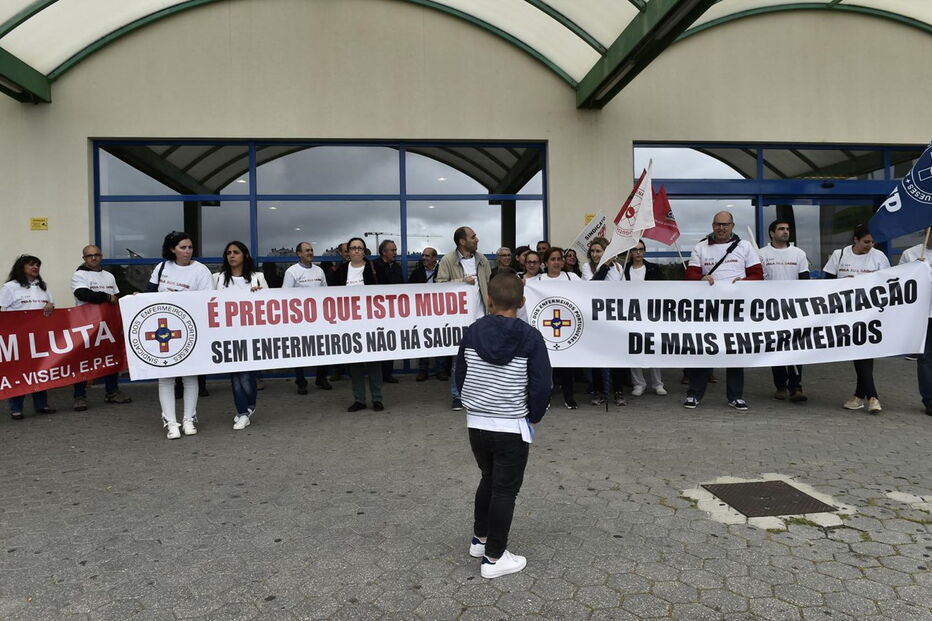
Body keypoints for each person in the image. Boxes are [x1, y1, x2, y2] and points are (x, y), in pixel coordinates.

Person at [456, 272, 551, 579]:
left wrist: (471, 402)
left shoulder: (472, 332)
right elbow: (541, 384)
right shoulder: (531, 337)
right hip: (511, 425)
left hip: (476, 423)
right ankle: (495, 557)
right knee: (505, 490)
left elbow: (460, 373)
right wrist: (535, 414)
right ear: (522, 302)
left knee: (488, 478)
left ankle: (480, 540)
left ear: (489, 300)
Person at [683, 211, 763, 411]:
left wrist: (745, 281)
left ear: (732, 226)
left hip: (736, 310)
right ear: (712, 226)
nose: (721, 228)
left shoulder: (745, 247)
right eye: (718, 224)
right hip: (708, 309)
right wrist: (700, 278)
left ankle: (735, 396)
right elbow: (690, 274)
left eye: (725, 224)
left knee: (735, 351)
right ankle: (694, 394)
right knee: (703, 350)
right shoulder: (701, 247)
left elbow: (757, 274)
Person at [148, 231, 213, 439]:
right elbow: (149, 295)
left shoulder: (201, 270)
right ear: (172, 249)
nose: (187, 251)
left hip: (190, 329)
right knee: (166, 377)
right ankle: (171, 422)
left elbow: (207, 300)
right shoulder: (162, 268)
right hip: (163, 330)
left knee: (190, 376)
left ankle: (189, 419)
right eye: (183, 247)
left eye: (190, 247)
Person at [823, 224, 890, 414]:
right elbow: (827, 283)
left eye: (873, 242)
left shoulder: (879, 257)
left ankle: (872, 397)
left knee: (864, 352)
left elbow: (887, 283)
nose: (870, 245)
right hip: (846, 313)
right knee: (857, 352)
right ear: (855, 240)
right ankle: (859, 395)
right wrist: (844, 283)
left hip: (870, 312)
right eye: (866, 242)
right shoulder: (840, 255)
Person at [213, 241, 268, 430]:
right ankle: (243, 411)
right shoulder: (218, 279)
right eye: (228, 252)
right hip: (228, 335)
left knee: (246, 375)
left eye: (236, 252)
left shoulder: (257, 278)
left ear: (245, 255)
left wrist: (260, 294)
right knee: (235, 375)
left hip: (251, 335)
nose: (231, 255)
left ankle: (249, 406)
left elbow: (270, 304)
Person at [70, 245, 132, 411]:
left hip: (107, 324)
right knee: (83, 361)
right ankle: (79, 396)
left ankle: (112, 392)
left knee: (110, 357)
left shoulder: (109, 276)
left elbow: (116, 297)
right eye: (89, 255)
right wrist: (105, 296)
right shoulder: (79, 275)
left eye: (97, 255)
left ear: (101, 256)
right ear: (84, 258)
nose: (94, 258)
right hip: (86, 324)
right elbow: (82, 294)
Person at [437, 226, 492, 411]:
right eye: (473, 237)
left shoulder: (482, 259)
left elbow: (489, 285)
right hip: (459, 320)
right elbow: (440, 286)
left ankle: (480, 395)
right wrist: (461, 281)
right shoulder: (448, 260)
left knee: (483, 359)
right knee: (459, 360)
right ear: (462, 241)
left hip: (481, 317)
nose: (477, 239)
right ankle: (458, 395)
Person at [758, 219, 810, 403]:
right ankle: (780, 385)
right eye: (781, 229)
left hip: (794, 308)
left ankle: (796, 386)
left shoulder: (798, 253)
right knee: (777, 346)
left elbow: (805, 279)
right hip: (771, 308)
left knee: (796, 346)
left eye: (787, 229)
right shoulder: (762, 254)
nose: (786, 231)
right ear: (772, 233)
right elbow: (757, 282)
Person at [332, 237, 384, 411]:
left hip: (372, 322)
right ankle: (359, 399)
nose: (356, 250)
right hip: (349, 324)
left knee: (374, 362)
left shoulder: (375, 268)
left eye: (360, 248)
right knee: (354, 363)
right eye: (353, 248)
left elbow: (390, 289)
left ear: (364, 251)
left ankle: (377, 398)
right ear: (348, 252)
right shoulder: (341, 270)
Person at [1, 255, 56, 419]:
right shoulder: (10, 287)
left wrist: (50, 305)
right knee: (20, 372)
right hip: (18, 338)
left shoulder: (43, 287)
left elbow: (51, 306)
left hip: (39, 337)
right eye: (31, 265)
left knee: (40, 370)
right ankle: (16, 408)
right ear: (21, 268)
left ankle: (41, 405)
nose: (35, 268)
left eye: (37, 265)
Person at [532, 247, 581, 409]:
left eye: (559, 259)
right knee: (546, 366)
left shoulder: (572, 278)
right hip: (545, 328)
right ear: (545, 262)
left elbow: (587, 293)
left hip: (568, 328)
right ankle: (545, 398)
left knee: (567, 365)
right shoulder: (537, 281)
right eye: (552, 259)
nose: (556, 262)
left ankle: (569, 397)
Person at [283, 241, 332, 394]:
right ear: (299, 254)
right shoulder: (291, 272)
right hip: (299, 320)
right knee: (299, 351)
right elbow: (285, 295)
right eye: (306, 250)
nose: (310, 253)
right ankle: (301, 381)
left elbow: (326, 292)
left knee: (323, 348)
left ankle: (321, 378)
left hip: (319, 318)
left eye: (311, 250)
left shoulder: (319, 271)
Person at [623, 240, 667, 397]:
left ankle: (657, 384)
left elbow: (663, 289)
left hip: (650, 314)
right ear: (630, 253)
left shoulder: (654, 268)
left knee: (652, 348)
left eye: (641, 249)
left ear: (645, 251)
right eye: (635, 250)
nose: (638, 252)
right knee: (634, 348)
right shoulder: (623, 270)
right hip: (630, 314)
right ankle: (638, 383)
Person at [898, 231, 932, 416]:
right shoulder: (910, 254)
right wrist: (913, 270)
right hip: (922, 314)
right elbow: (899, 282)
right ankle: (929, 400)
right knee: (925, 359)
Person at [410, 247, 449, 381]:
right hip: (422, 312)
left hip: (439, 311)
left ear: (434, 258)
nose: (424, 258)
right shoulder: (416, 273)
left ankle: (441, 370)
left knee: (440, 340)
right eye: (423, 255)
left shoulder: (442, 272)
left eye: (427, 256)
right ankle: (422, 370)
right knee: (423, 340)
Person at [373, 239, 404, 383]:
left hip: (393, 310)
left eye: (395, 250)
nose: (395, 253)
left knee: (390, 341)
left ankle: (387, 373)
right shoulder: (374, 266)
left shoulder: (397, 267)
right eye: (392, 250)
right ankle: (377, 374)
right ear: (383, 252)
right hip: (377, 311)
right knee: (378, 342)